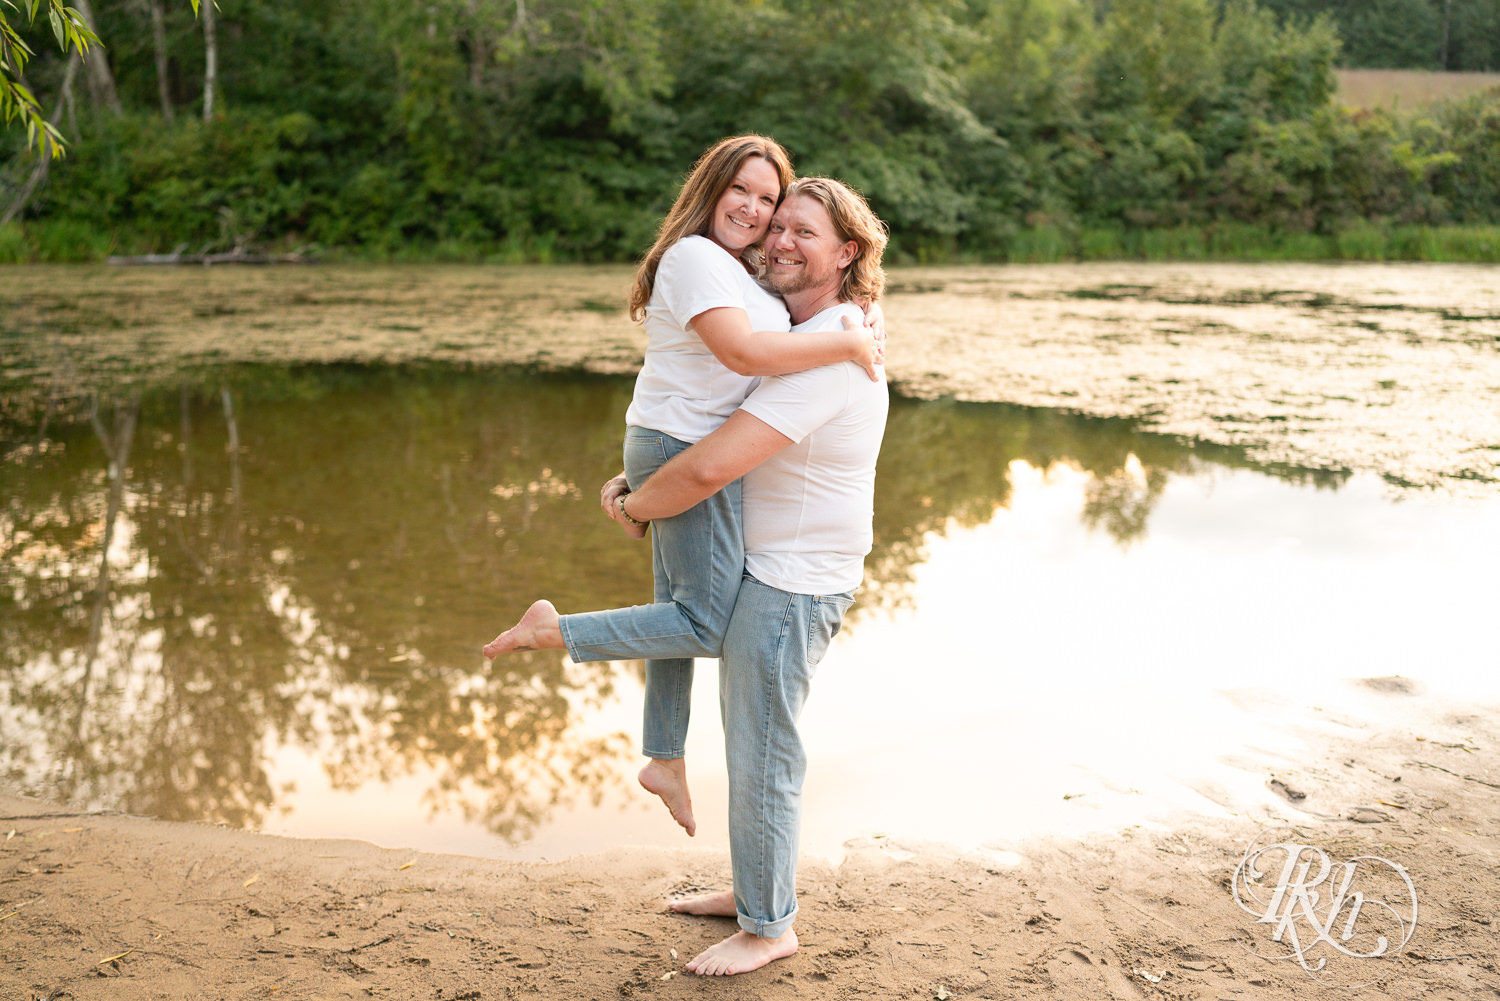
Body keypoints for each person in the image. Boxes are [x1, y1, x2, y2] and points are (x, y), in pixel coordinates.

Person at [490, 177, 890, 977]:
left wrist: (637, 504)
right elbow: (696, 410)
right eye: (775, 225)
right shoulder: (805, 328)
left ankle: (770, 924)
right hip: (763, 561)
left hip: (794, 580)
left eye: (802, 232)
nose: (778, 240)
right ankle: (752, 888)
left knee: (764, 750)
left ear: (847, 252)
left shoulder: (836, 349)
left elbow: (710, 465)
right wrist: (639, 485)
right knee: (729, 701)